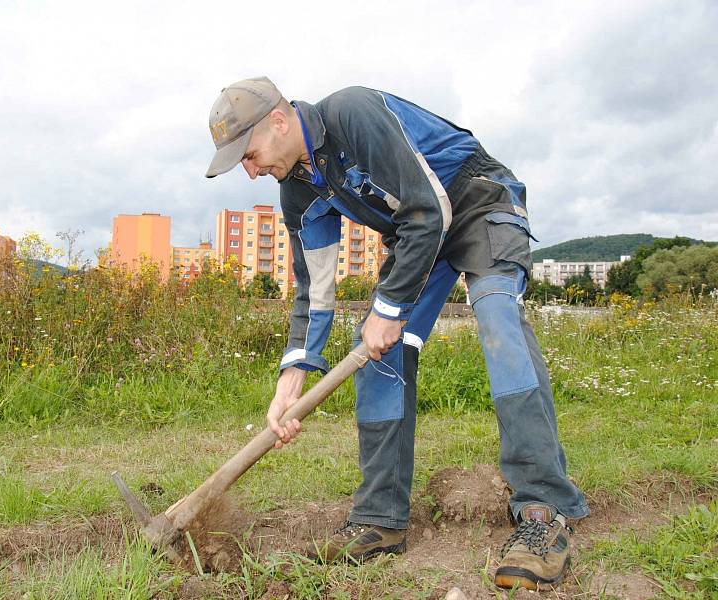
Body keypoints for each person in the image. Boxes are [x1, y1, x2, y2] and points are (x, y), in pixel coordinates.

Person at [205, 76, 590, 590]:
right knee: (378, 355)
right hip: (416, 237)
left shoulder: (352, 113)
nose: (251, 172)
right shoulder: (296, 188)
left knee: (498, 320)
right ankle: (379, 519)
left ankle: (545, 512)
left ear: (278, 121)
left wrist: (388, 308)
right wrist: (292, 376)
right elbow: (313, 292)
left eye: (248, 154)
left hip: (475, 202)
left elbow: (428, 209)